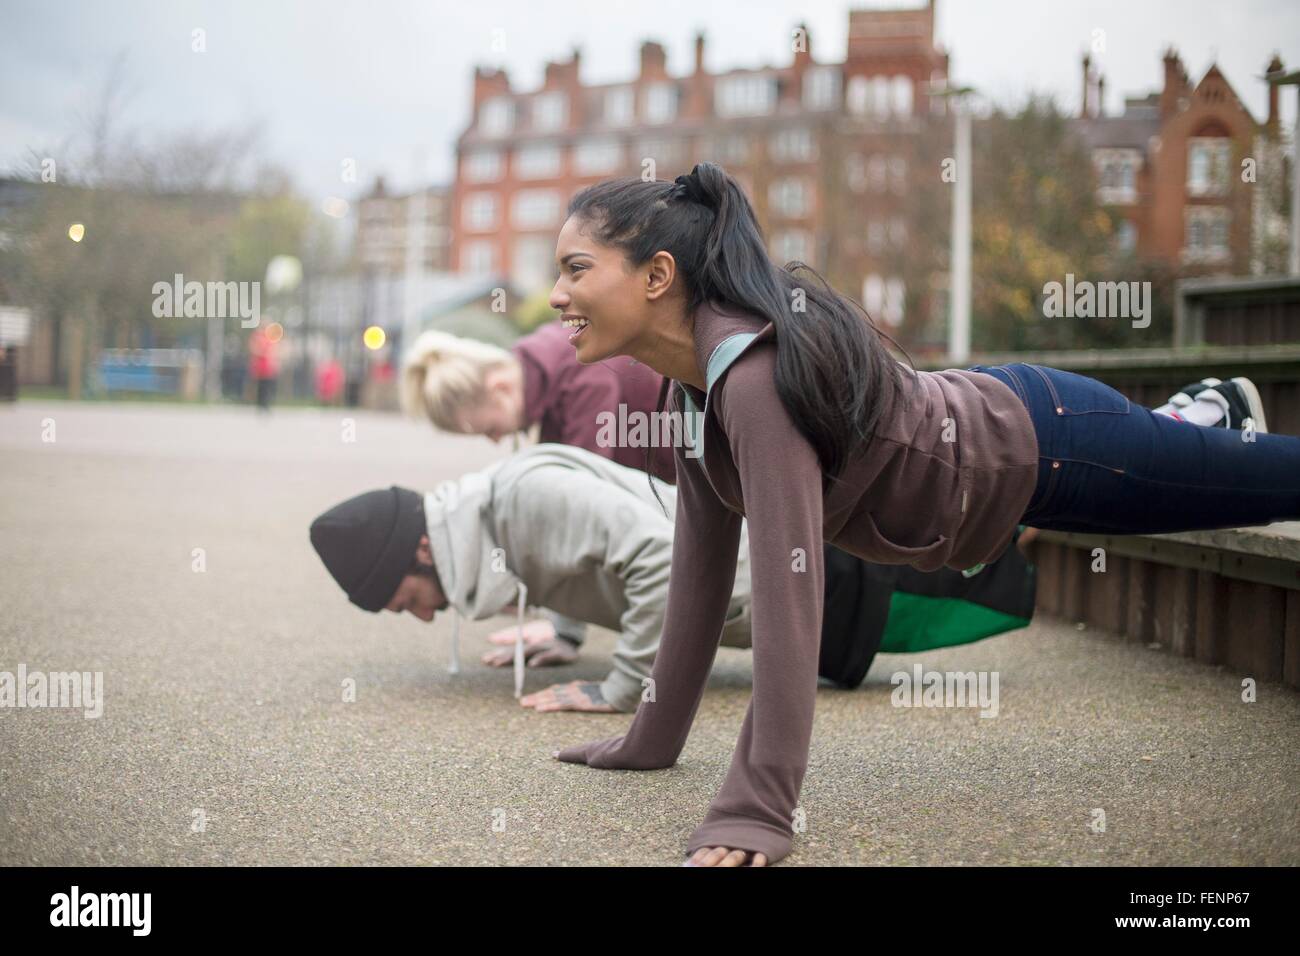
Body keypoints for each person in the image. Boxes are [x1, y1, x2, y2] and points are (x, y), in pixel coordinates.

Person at [546, 161, 1299, 868]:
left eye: (576, 268)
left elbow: (789, 591)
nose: (555, 294)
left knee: (1265, 483)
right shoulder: (693, 393)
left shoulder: (753, 383)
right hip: (1020, 448)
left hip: (1053, 446)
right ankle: (1205, 413)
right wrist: (651, 736)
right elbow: (701, 575)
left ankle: (1207, 418)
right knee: (1204, 469)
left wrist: (759, 808)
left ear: (657, 276)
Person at [307, 444, 1041, 713]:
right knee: (990, 553)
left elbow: (658, 555)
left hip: (822, 584)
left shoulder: (522, 503)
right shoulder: (497, 510)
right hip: (793, 592)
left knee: (1000, 575)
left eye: (407, 603)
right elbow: (595, 555)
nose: (427, 620)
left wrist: (624, 686)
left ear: (425, 553)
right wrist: (563, 629)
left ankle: (1083, 488)